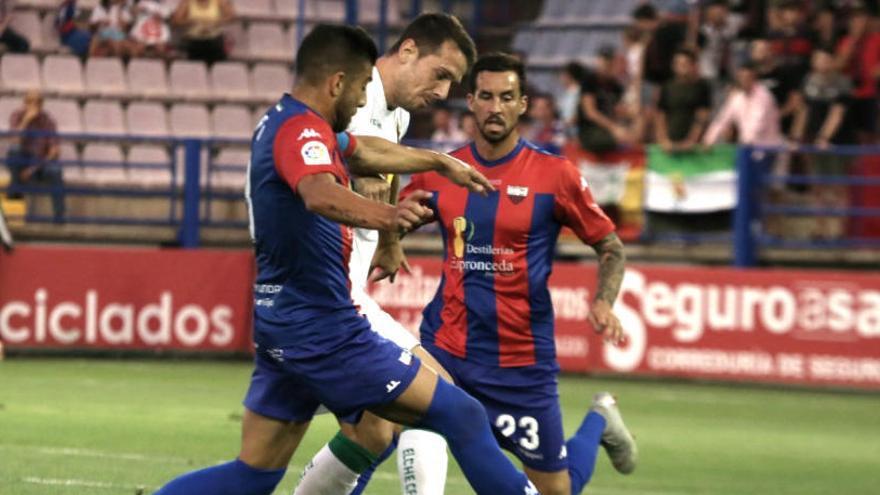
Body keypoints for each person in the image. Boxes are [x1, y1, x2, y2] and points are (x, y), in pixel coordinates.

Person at [152, 24, 541, 495]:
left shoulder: (297, 124)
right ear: (337, 83)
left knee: (255, 475)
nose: (362, 102)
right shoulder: (300, 132)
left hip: (284, 319)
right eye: (359, 89)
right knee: (462, 414)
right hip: (325, 325)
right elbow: (319, 193)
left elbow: (362, 150)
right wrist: (389, 216)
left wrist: (440, 163)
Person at [399, 53, 638, 495]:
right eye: (486, 96)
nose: (495, 107)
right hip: (447, 350)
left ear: (523, 104)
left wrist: (603, 301)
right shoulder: (442, 172)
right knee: (382, 422)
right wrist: (391, 236)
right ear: (469, 101)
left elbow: (610, 247)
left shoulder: (556, 176)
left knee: (555, 489)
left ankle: (598, 419)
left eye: (506, 97)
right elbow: (397, 217)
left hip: (520, 368)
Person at [290, 13, 477, 495]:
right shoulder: (353, 92)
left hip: (335, 299)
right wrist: (356, 178)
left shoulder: (399, 114)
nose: (443, 92)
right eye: (441, 75)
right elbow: (326, 155)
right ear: (409, 50)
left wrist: (391, 240)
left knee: (372, 431)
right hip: (328, 301)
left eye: (452, 84)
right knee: (440, 402)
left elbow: (383, 175)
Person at [791, 47, 856, 239]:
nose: (822, 63)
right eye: (818, 59)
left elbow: (837, 114)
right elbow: (803, 112)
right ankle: (820, 228)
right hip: (814, 141)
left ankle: (839, 229)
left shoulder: (843, 83)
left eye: (826, 59)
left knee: (837, 186)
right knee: (817, 185)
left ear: (833, 61)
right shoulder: (808, 81)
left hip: (839, 142)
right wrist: (796, 138)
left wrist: (824, 138)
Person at [5, 90, 64, 223]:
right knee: (15, 151)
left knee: (56, 170)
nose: (34, 105)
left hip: (38, 165)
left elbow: (54, 150)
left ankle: (59, 219)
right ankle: (15, 194)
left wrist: (33, 168)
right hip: (20, 162)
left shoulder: (48, 121)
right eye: (30, 102)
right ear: (24, 103)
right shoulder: (17, 115)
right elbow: (14, 140)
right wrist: (26, 120)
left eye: (38, 102)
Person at [835, 5, 880, 143]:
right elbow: (839, 65)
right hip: (851, 94)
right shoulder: (845, 41)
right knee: (857, 135)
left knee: (872, 133)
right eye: (854, 20)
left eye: (861, 20)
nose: (858, 23)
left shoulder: (877, 39)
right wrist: (853, 41)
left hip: (872, 93)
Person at [655, 47, 712, 153]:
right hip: (669, 144)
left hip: (694, 147)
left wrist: (691, 140)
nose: (681, 67)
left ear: (693, 65)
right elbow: (660, 116)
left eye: (685, 63)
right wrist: (663, 140)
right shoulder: (666, 87)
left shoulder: (702, 87)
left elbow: (702, 116)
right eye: (677, 63)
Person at [577, 46, 628, 154]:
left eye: (609, 62)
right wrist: (614, 128)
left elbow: (618, 111)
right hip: (590, 130)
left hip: (608, 127)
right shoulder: (589, 81)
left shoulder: (616, 86)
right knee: (614, 140)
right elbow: (590, 112)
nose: (605, 65)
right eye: (603, 61)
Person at [171, 0, 235, 64]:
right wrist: (190, 22)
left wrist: (216, 22)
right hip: (194, 41)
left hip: (215, 40)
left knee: (219, 67)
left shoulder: (219, 1)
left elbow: (231, 16)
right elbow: (175, 21)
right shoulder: (187, 2)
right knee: (195, 68)